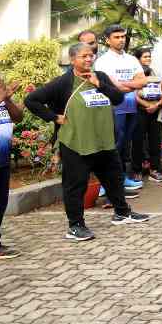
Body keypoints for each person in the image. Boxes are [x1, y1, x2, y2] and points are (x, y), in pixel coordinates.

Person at [25, 42, 150, 241]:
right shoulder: (62, 83)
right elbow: (31, 100)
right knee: (75, 185)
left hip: (103, 141)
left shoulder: (99, 76)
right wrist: (54, 117)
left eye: (91, 55)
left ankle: (122, 213)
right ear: (72, 59)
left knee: (114, 178)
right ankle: (75, 226)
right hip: (76, 143)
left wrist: (99, 84)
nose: (89, 59)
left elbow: (118, 98)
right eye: (84, 56)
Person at [93, 25, 147, 190]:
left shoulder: (131, 59)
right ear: (108, 40)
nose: (121, 39)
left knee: (125, 146)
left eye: (123, 36)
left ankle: (122, 177)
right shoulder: (103, 61)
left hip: (131, 107)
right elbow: (113, 87)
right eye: (117, 37)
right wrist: (132, 84)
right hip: (112, 109)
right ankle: (106, 184)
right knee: (113, 145)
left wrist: (125, 85)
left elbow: (142, 81)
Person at [0, 74, 25, 258]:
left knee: (0, 204)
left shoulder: (4, 102)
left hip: (2, 160)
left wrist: (7, 99)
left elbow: (18, 117)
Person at [131, 47, 162, 181]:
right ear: (138, 58)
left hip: (156, 111)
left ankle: (155, 170)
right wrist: (147, 105)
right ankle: (137, 170)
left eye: (149, 56)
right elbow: (133, 92)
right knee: (138, 141)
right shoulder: (135, 72)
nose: (148, 59)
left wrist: (156, 105)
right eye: (145, 56)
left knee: (155, 140)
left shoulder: (155, 72)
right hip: (140, 111)